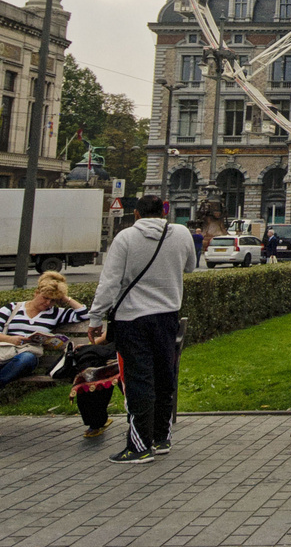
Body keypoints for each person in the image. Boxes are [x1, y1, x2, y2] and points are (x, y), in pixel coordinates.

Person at [88, 193, 197, 465]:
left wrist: (95, 317)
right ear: (164, 213)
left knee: (139, 380)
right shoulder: (181, 234)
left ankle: (139, 446)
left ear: (136, 214)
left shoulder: (125, 238)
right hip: (167, 316)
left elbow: (110, 282)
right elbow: (191, 267)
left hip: (132, 319)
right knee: (164, 377)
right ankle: (161, 438)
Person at [0, 271, 86, 440]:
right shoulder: (12, 308)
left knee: (27, 358)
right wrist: (11, 339)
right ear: (36, 292)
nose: (48, 303)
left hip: (25, 355)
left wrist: (65, 298)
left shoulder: (55, 313)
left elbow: (84, 314)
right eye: (45, 298)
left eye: (53, 300)